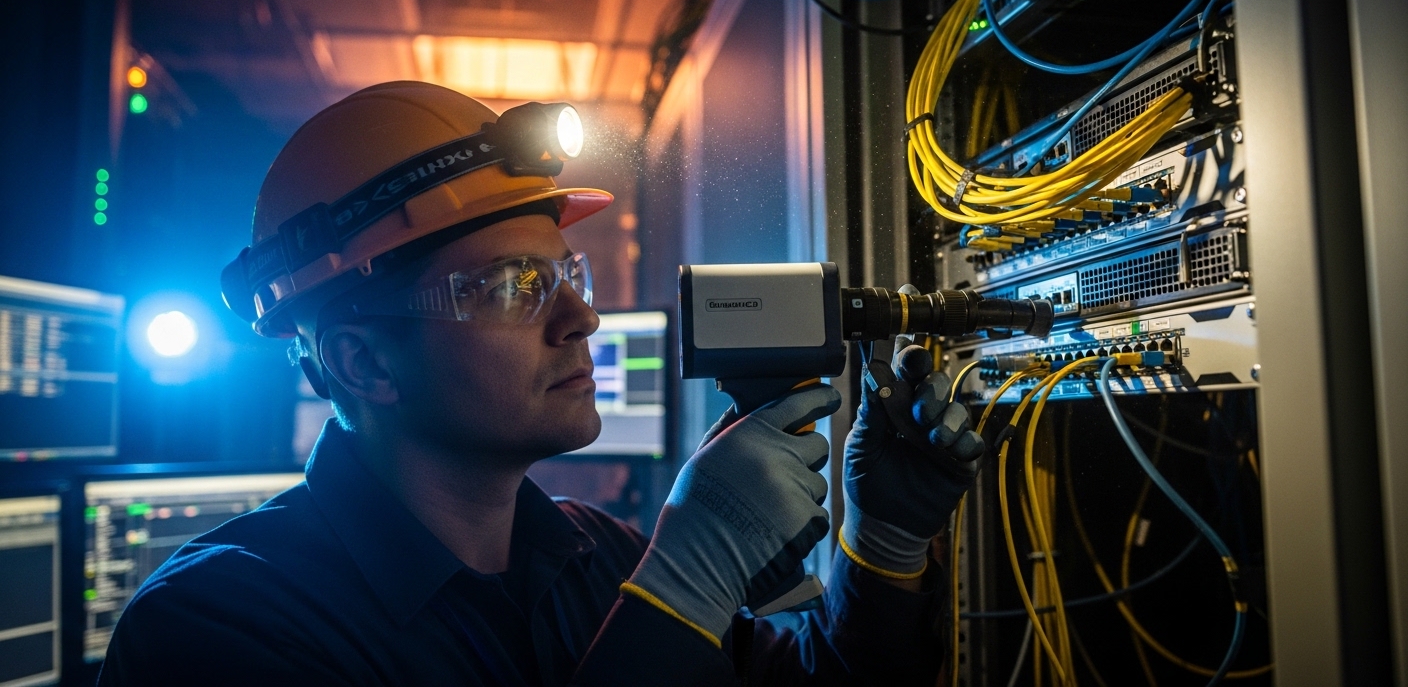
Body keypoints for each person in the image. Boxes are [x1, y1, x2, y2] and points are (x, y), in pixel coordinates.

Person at [97, 81, 980, 686]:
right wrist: (681, 592)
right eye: (514, 287)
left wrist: (886, 547)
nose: (580, 319)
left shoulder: (592, 556)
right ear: (363, 362)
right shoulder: (215, 628)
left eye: (567, 276)